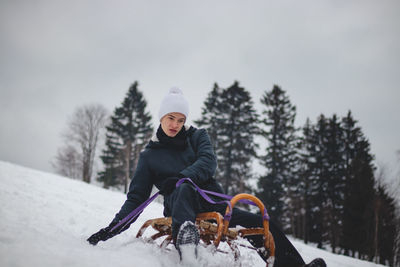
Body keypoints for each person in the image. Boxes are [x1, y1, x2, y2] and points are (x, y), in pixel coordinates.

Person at [87, 87, 326, 267]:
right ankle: (188, 250)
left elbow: (208, 163)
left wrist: (182, 176)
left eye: (180, 120)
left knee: (261, 223)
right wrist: (108, 231)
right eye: (171, 118)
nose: (175, 124)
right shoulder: (149, 156)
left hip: (213, 204)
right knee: (183, 189)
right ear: (161, 117)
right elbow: (137, 198)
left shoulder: (197, 136)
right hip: (180, 206)